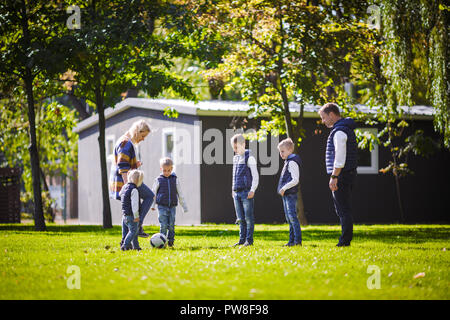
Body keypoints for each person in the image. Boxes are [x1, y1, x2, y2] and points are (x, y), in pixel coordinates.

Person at [318, 102, 358, 247]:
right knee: (343, 208)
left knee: (343, 209)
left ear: (332, 114)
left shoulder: (340, 131)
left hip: (342, 174)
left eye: (323, 117)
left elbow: (340, 157)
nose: (323, 121)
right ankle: (345, 239)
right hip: (347, 173)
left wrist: (334, 176)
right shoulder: (345, 129)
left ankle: (344, 241)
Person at [109, 119, 154, 238]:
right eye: (143, 135)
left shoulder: (125, 141)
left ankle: (126, 240)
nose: (143, 139)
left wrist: (134, 164)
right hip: (127, 182)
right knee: (149, 196)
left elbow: (124, 162)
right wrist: (127, 187)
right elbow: (123, 167)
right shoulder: (126, 143)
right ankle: (137, 226)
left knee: (128, 211)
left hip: (127, 181)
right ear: (137, 131)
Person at [151, 157, 188, 247]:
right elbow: (153, 193)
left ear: (172, 169)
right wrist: (153, 205)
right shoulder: (158, 180)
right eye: (164, 170)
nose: (166, 172)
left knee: (171, 224)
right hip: (161, 206)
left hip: (172, 206)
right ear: (161, 169)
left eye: (168, 170)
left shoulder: (175, 179)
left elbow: (180, 193)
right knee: (163, 225)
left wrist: (184, 206)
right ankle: (162, 241)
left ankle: (171, 241)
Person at [230, 133, 259, 247]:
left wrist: (253, 190)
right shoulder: (236, 158)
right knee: (240, 218)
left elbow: (255, 175)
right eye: (234, 147)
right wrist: (233, 189)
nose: (235, 150)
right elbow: (234, 175)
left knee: (248, 218)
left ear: (243, 144)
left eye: (237, 147)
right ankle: (241, 240)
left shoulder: (249, 157)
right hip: (236, 192)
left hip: (246, 192)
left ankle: (249, 240)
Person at [277, 138, 302, 246]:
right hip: (287, 194)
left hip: (290, 194)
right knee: (289, 218)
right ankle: (291, 241)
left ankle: (297, 241)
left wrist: (284, 188)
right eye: (280, 152)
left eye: (282, 151)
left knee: (292, 217)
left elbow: (295, 179)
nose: (280, 154)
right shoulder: (287, 161)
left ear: (290, 150)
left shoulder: (292, 162)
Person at [119, 169, 144, 251]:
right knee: (133, 231)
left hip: (124, 214)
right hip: (131, 215)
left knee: (132, 231)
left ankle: (136, 246)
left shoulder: (124, 187)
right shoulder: (134, 190)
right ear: (138, 180)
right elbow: (134, 205)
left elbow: (120, 194)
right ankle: (125, 245)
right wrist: (136, 216)